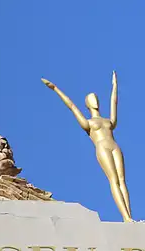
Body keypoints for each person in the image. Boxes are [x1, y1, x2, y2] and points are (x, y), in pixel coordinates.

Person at [42, 72, 133, 222]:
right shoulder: (88, 123)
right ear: (87, 104)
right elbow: (71, 106)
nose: (95, 101)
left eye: (96, 99)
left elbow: (114, 102)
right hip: (102, 147)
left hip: (114, 146)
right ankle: (125, 216)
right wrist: (55, 88)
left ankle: (129, 217)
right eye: (92, 100)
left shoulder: (108, 121)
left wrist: (115, 86)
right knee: (113, 180)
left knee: (122, 180)